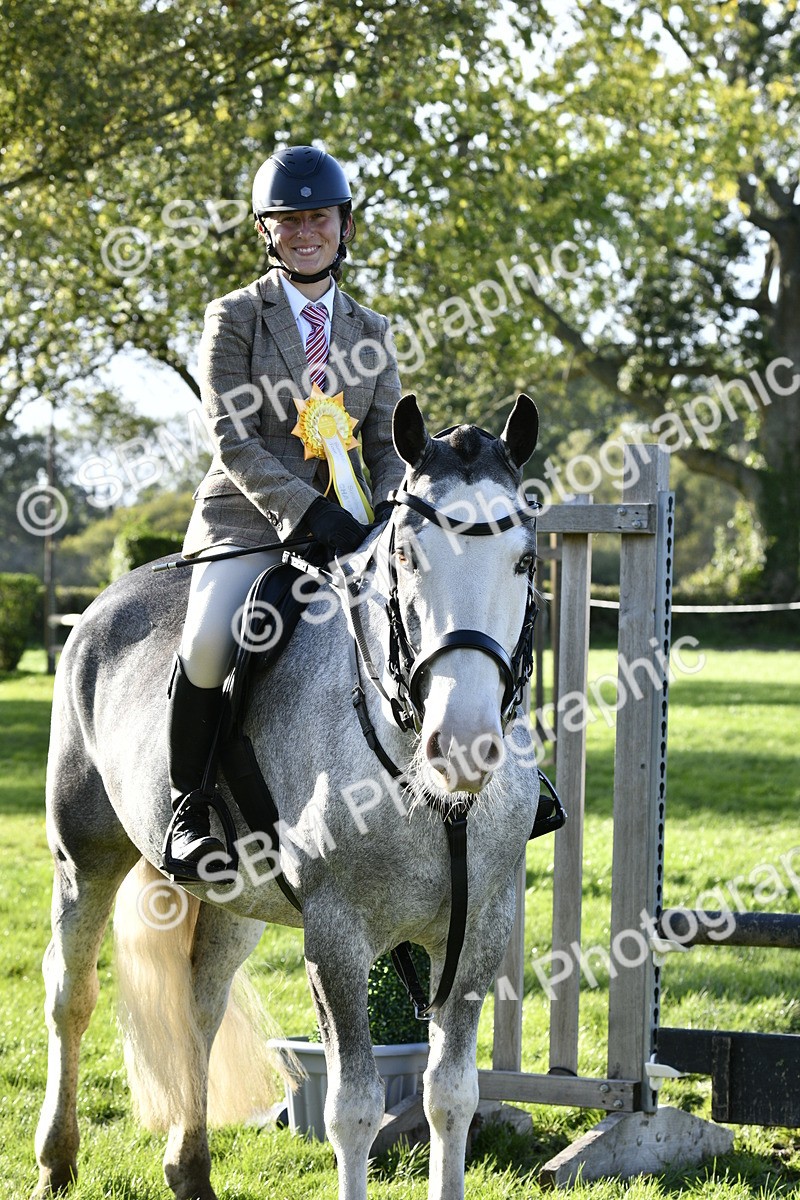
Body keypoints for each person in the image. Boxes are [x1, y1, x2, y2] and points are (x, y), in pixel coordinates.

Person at [166, 145, 405, 877]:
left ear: (345, 226)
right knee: (210, 641)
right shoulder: (234, 316)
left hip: (351, 531)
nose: (307, 231)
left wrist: (390, 515)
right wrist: (304, 514)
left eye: (319, 217)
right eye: (289, 219)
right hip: (246, 524)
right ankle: (192, 807)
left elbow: (389, 444)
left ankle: (454, 791)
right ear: (266, 231)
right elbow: (231, 439)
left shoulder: (372, 330)